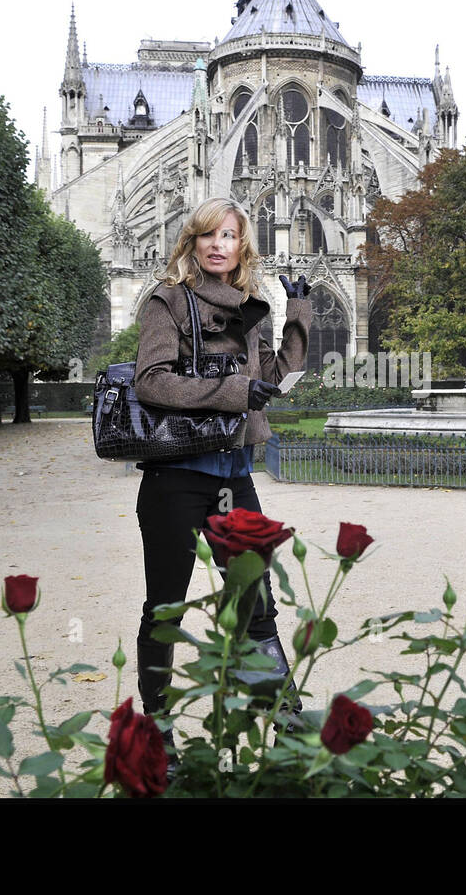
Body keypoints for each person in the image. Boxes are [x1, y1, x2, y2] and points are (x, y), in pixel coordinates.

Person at [132, 196, 312, 764]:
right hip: (177, 478)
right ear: (192, 243)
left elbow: (276, 379)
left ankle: (285, 721)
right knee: (167, 604)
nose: (218, 245)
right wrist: (235, 391)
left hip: (235, 475)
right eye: (208, 235)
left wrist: (299, 313)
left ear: (242, 247)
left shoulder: (246, 308)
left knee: (257, 603)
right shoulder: (166, 302)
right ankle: (158, 728)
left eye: (229, 236)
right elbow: (151, 383)